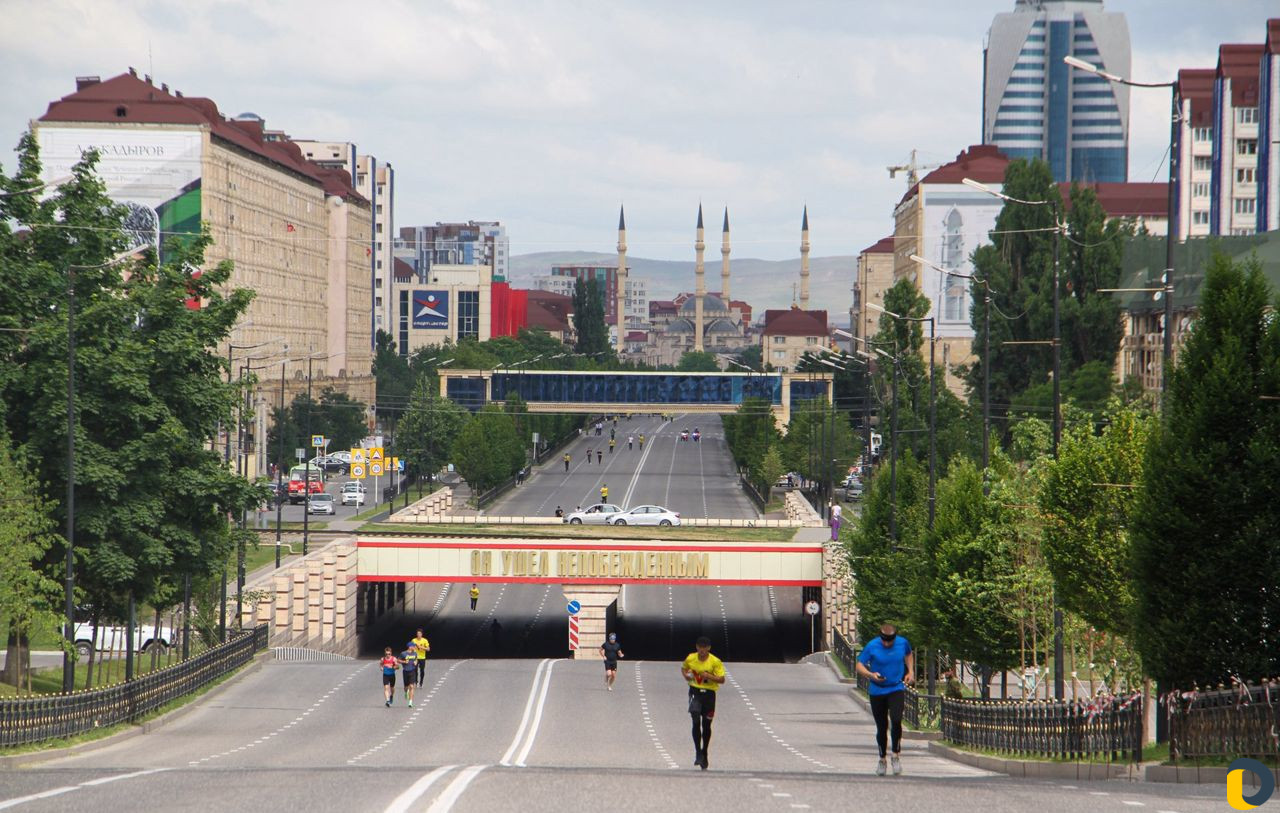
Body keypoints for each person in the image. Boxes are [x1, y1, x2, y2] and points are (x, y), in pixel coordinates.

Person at [855, 622, 915, 776]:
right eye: (884, 640)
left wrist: (910, 671)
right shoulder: (872, 646)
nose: (887, 643)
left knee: (896, 720)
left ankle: (895, 754)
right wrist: (870, 674)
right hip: (877, 690)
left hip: (895, 688)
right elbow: (859, 665)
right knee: (882, 727)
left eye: (890, 641)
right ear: (880, 637)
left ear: (895, 638)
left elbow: (908, 654)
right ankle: (882, 759)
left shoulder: (903, 643)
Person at [681, 635, 725, 770]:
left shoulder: (715, 661)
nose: (702, 651)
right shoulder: (691, 658)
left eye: (704, 649)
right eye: (700, 648)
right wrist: (687, 676)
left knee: (706, 725)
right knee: (695, 720)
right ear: (697, 647)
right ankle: (698, 753)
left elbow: (722, 679)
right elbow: (684, 668)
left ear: (709, 649)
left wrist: (709, 676)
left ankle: (704, 751)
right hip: (695, 692)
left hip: (710, 695)